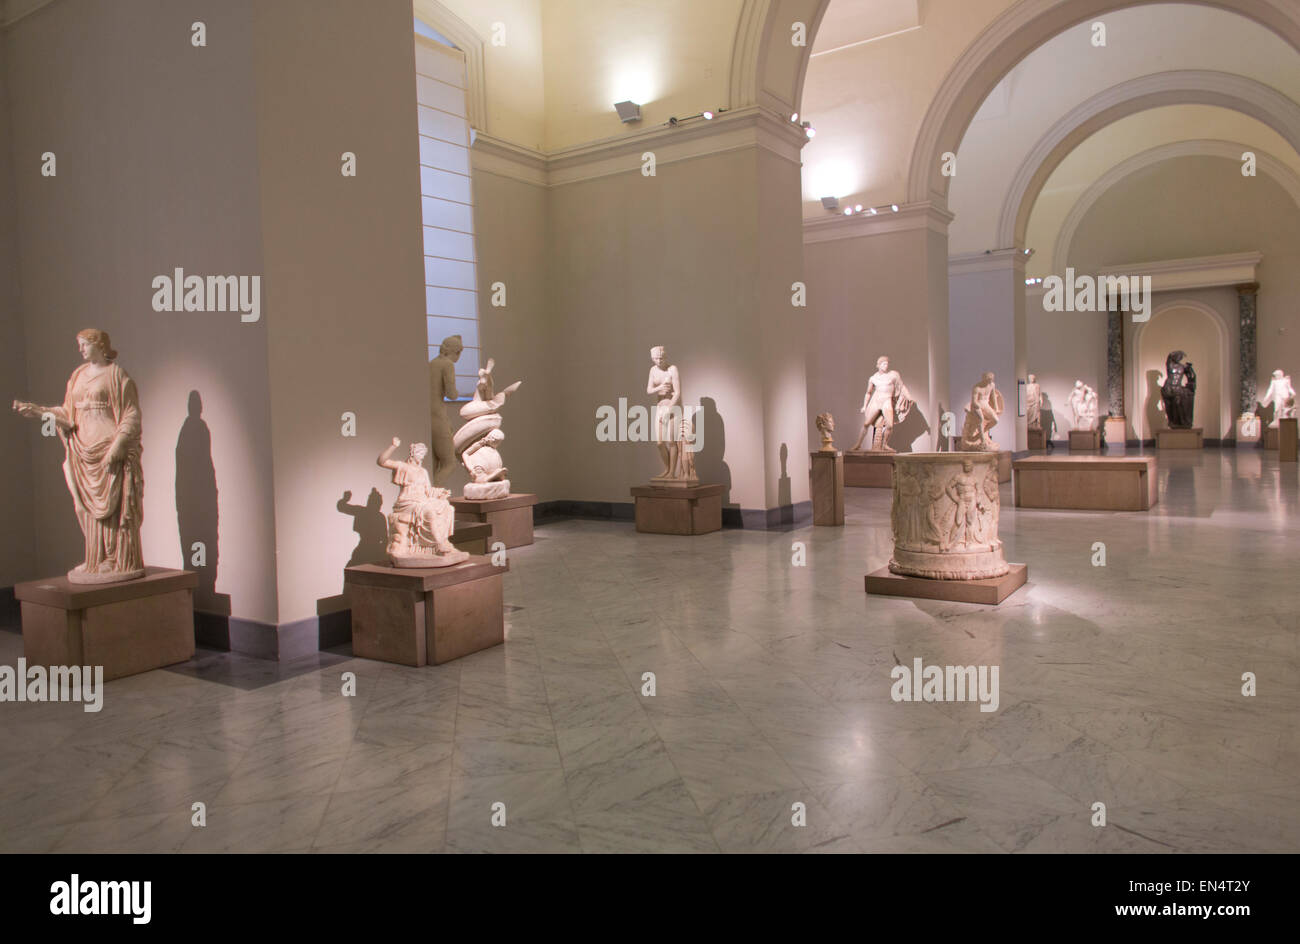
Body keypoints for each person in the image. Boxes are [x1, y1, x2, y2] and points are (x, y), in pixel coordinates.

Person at [13, 329, 144, 582]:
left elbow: (131, 414)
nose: (80, 350)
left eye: (84, 345)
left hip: (108, 449)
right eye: (79, 345)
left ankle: (114, 559)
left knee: (112, 507)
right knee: (83, 506)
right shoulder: (77, 377)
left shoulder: (117, 375)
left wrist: (118, 445)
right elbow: (67, 414)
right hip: (82, 451)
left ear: (98, 344)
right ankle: (97, 558)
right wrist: (39, 412)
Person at [376, 437, 463, 562]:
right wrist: (393, 446)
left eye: (423, 454)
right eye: (419, 453)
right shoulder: (403, 466)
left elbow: (428, 491)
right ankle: (438, 544)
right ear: (412, 453)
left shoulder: (423, 471)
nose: (421, 456)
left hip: (422, 500)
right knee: (429, 511)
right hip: (407, 502)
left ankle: (443, 541)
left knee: (448, 507)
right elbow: (381, 461)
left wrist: (440, 493)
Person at [852, 355, 913, 452]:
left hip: (887, 401)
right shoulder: (873, 378)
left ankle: (884, 444)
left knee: (890, 425)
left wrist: (909, 396)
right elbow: (868, 393)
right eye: (884, 364)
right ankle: (858, 444)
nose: (886, 366)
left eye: (887, 364)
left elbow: (902, 387)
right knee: (866, 423)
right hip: (876, 401)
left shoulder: (893, 375)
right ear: (878, 365)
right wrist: (864, 406)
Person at [429, 335, 463, 485]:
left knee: (435, 464)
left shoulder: (431, 364)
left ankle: (432, 498)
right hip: (438, 415)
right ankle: (433, 497)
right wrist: (459, 392)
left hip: (430, 416)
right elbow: (452, 394)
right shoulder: (447, 364)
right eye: (459, 352)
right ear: (455, 351)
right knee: (449, 462)